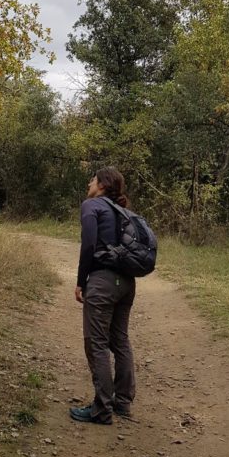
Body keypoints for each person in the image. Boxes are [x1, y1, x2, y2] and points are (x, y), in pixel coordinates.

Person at [70, 167, 136, 426]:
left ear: (102, 185)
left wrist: (80, 282)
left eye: (93, 179)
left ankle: (101, 408)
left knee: (96, 342)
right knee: (120, 340)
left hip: (102, 283)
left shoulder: (92, 206)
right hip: (126, 283)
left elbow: (89, 245)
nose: (89, 183)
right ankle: (123, 403)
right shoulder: (123, 211)